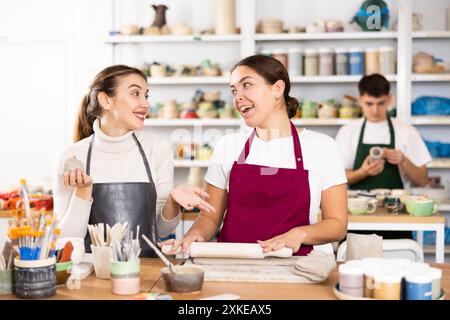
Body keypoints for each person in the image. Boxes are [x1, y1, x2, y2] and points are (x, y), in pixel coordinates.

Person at [164, 55, 348, 256]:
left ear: (277, 88)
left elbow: (337, 224)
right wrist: (194, 236)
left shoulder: (322, 146)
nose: (237, 97)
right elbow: (210, 217)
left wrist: (299, 234)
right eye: (234, 90)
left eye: (247, 85)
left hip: (298, 265)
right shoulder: (228, 146)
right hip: (233, 263)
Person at [53, 65, 215, 257]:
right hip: (92, 273)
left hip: (146, 270)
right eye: (135, 93)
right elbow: (67, 238)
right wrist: (83, 191)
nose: (145, 104)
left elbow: (161, 230)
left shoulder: (157, 149)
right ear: (106, 100)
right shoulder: (72, 157)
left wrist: (173, 200)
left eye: (146, 95)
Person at [335, 74, 432, 238]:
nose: (375, 110)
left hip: (396, 215)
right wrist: (362, 172)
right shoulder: (348, 132)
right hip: (357, 217)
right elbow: (336, 179)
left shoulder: (406, 131)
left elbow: (423, 179)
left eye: (381, 103)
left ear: (390, 99)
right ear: (359, 100)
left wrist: (403, 160)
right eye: (369, 103)